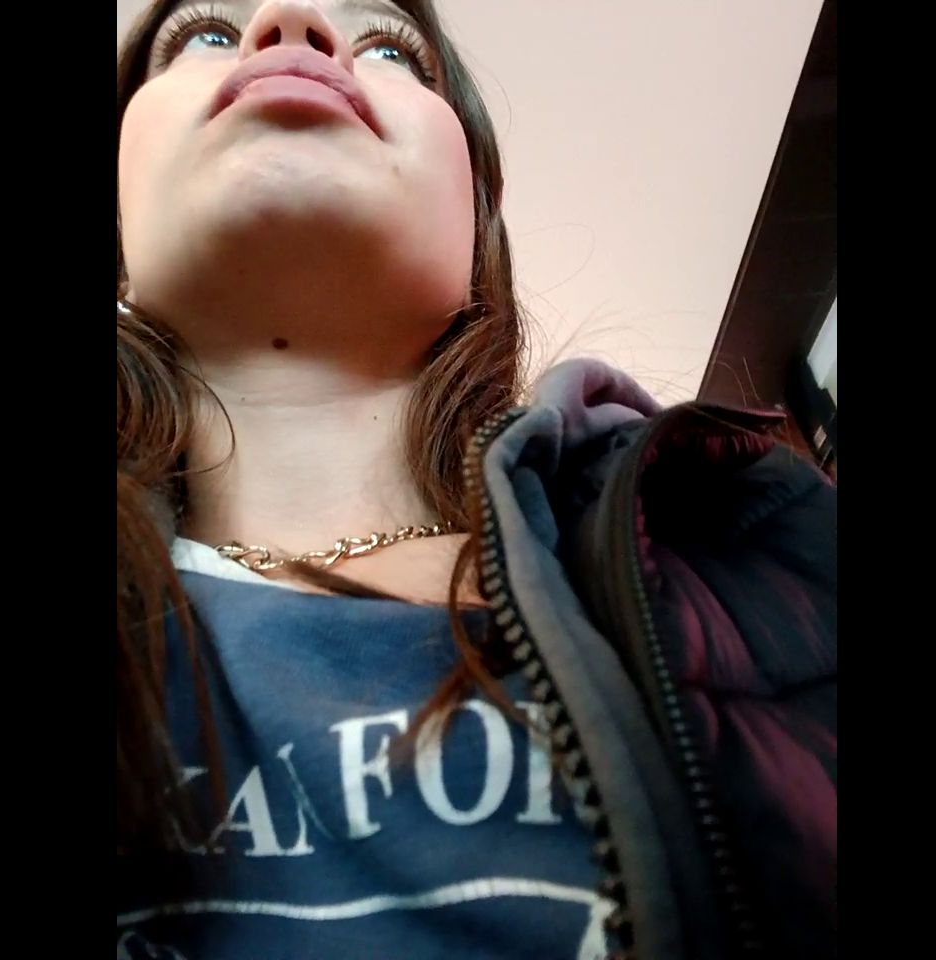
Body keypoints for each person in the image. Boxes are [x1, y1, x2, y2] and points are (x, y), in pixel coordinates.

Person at [116, 2, 837, 959]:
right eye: (204, 34)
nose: (289, 22)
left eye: (390, 48)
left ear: (475, 221)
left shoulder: (742, 536)